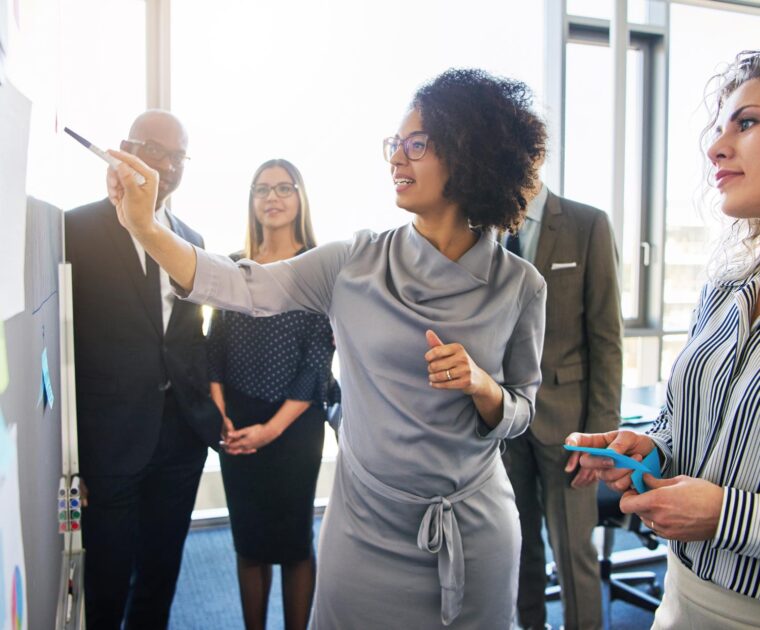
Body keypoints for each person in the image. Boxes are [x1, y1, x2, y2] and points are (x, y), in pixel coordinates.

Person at [106, 68, 548, 628]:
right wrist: (147, 230)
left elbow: (521, 413)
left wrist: (483, 386)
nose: (397, 159)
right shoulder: (352, 263)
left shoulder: (521, 285)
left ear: (468, 155)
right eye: (395, 144)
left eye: (417, 145)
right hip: (366, 528)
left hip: (473, 530)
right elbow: (239, 283)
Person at [567, 50, 760, 628]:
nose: (716, 147)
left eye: (746, 123)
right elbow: (686, 423)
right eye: (718, 127)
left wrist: (727, 515)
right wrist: (651, 450)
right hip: (682, 594)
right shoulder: (726, 286)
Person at [65, 110, 221, 630]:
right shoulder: (76, 229)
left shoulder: (191, 237)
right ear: (125, 148)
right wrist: (72, 453)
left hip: (179, 435)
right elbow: (65, 345)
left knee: (160, 573)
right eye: (155, 150)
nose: (167, 165)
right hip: (111, 440)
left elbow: (188, 334)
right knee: (107, 580)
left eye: (178, 156)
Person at [207, 159, 338, 629]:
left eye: (284, 187)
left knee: (294, 543)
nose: (272, 197)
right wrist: (220, 414)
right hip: (237, 421)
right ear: (251, 199)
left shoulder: (319, 267)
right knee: (249, 541)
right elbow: (215, 345)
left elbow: (317, 364)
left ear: (300, 198)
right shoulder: (233, 265)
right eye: (262, 188)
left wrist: (270, 431)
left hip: (295, 425)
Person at [501, 157, 623, 630]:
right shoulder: (483, 226)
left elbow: (607, 340)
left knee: (575, 552)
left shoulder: (586, 224)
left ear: (534, 155)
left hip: (571, 426)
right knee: (518, 547)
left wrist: (600, 436)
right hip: (504, 421)